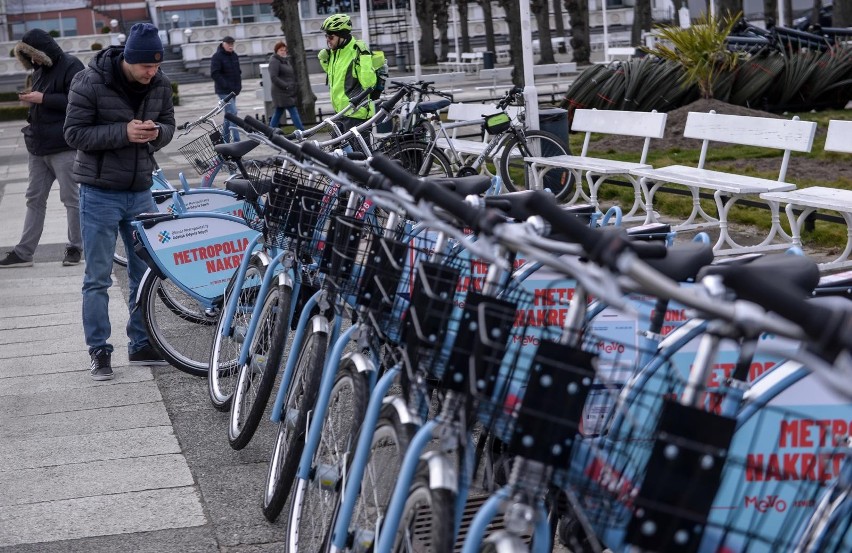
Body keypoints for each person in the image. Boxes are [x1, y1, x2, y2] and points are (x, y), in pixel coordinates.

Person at [64, 22, 176, 381]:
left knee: (146, 273)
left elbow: (170, 125)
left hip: (141, 187)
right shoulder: (90, 81)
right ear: (129, 59)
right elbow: (74, 133)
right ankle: (99, 350)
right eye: (146, 66)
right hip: (98, 192)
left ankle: (141, 343)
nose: (152, 72)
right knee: (97, 277)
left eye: (157, 66)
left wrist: (157, 134)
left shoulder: (159, 83)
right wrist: (124, 132)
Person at [0, 30, 84, 269]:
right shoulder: (38, 71)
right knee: (34, 198)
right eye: (28, 57)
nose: (33, 61)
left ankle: (75, 247)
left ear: (43, 52)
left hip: (63, 146)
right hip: (38, 145)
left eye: (34, 56)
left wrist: (43, 98)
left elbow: (80, 100)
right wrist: (32, 101)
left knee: (71, 198)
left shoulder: (71, 64)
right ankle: (24, 253)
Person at [318, 14, 377, 134]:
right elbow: (337, 78)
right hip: (340, 114)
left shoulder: (357, 52)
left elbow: (369, 84)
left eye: (330, 36)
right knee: (335, 152)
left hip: (357, 116)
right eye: (326, 36)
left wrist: (365, 57)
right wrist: (324, 61)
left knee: (360, 153)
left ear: (342, 36)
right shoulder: (335, 52)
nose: (327, 40)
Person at [210, 36, 242, 142]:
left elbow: (238, 72)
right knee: (233, 113)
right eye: (228, 43)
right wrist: (226, 85)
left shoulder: (234, 56)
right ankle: (237, 141)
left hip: (233, 91)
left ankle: (225, 140)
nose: (230, 45)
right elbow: (215, 73)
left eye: (232, 43)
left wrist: (238, 87)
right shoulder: (217, 57)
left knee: (228, 116)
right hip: (223, 91)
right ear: (223, 44)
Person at [268, 41, 304, 131]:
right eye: (281, 50)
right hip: (280, 92)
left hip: (286, 91)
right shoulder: (274, 61)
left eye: (285, 50)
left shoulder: (284, 61)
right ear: (276, 51)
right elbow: (274, 77)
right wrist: (286, 86)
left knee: (278, 112)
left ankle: (269, 131)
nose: (283, 52)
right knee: (293, 110)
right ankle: (302, 131)